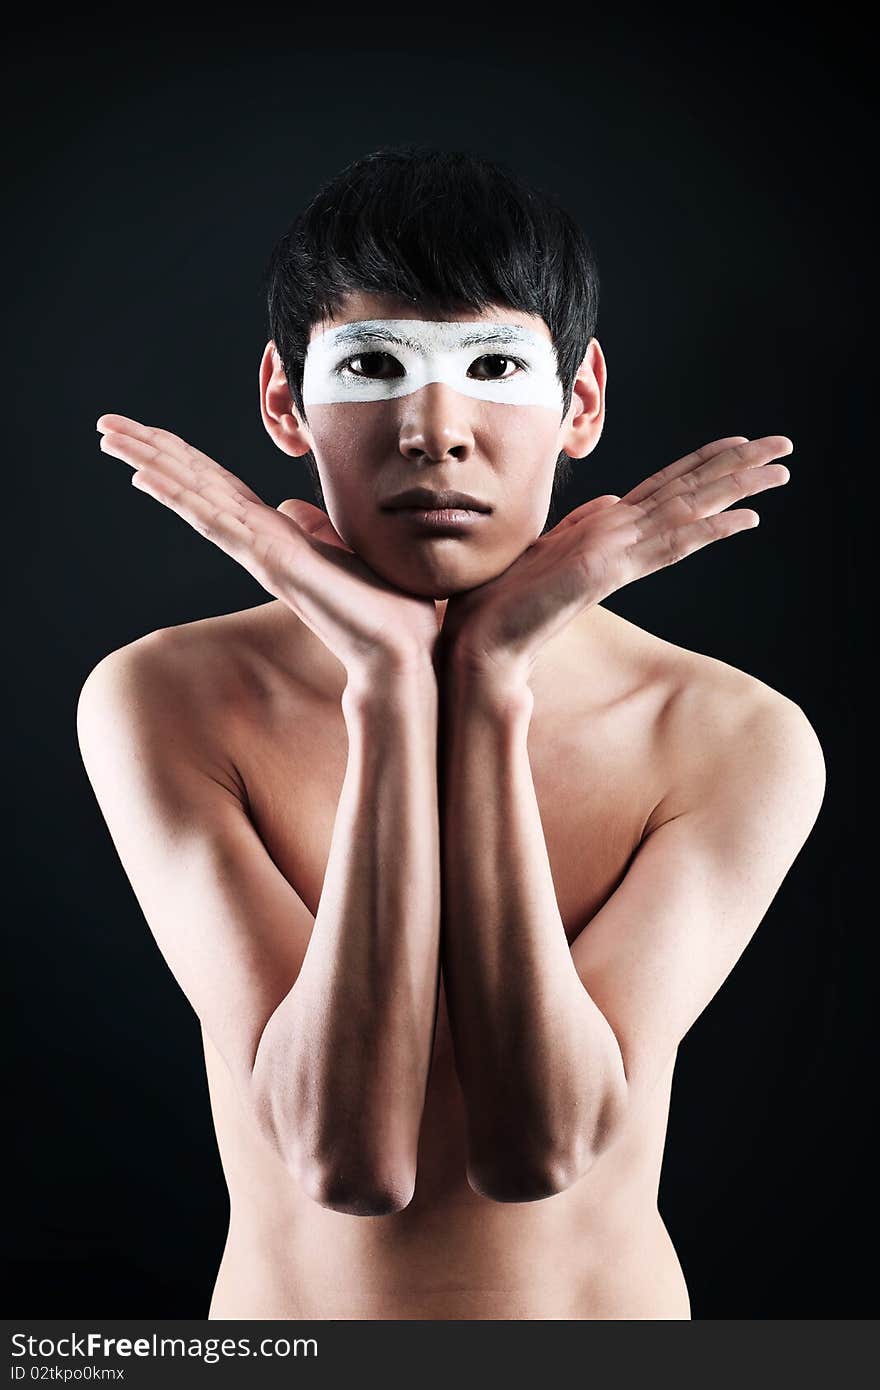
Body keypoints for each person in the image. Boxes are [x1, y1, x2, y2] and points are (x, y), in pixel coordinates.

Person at [76, 145, 826, 1320]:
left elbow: (541, 1145)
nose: (436, 429)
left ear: (579, 402)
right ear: (285, 400)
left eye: (493, 365)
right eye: (373, 365)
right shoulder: (164, 698)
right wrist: (387, 684)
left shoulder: (728, 735)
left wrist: (483, 686)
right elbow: (344, 1157)